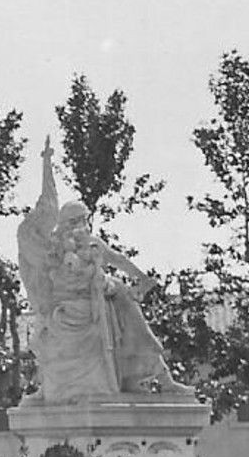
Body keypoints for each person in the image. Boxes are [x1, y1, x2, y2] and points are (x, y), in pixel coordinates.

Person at [16, 135, 192, 402]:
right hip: (66, 311)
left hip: (100, 303)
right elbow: (46, 206)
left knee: (135, 324)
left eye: (83, 221)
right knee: (49, 332)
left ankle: (161, 379)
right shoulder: (54, 251)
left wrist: (142, 279)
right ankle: (48, 389)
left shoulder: (93, 246)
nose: (81, 227)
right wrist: (46, 164)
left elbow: (118, 259)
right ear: (66, 225)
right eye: (76, 221)